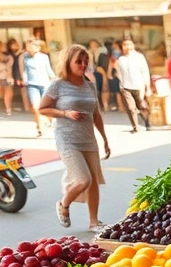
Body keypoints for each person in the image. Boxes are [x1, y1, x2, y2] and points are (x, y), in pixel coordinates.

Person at [39, 44, 110, 233]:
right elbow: (43, 108)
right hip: (67, 139)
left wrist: (104, 138)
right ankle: (64, 204)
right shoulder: (57, 85)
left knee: (93, 181)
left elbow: (96, 114)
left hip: (88, 138)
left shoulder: (89, 86)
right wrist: (65, 113)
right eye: (78, 61)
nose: (83, 64)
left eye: (85, 60)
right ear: (68, 62)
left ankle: (94, 222)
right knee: (83, 179)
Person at [116, 38, 151, 133]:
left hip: (139, 86)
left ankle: (147, 122)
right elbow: (118, 73)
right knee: (131, 107)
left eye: (129, 44)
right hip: (126, 87)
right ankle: (135, 126)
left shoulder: (139, 57)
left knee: (142, 106)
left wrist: (148, 87)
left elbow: (145, 72)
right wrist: (121, 85)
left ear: (133, 45)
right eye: (125, 44)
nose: (127, 46)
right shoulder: (121, 59)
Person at [22, 40, 56, 136]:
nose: (29, 48)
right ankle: (39, 127)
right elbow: (25, 70)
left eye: (31, 46)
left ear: (37, 47)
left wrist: (53, 78)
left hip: (45, 84)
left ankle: (50, 121)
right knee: (35, 107)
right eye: (28, 46)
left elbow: (49, 69)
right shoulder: (25, 57)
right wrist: (25, 80)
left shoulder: (44, 57)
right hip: (32, 85)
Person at [9, 39, 28, 113]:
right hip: (20, 76)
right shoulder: (19, 55)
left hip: (21, 76)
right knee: (24, 91)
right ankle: (26, 107)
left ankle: (27, 107)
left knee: (24, 92)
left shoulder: (20, 54)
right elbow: (17, 67)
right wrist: (17, 78)